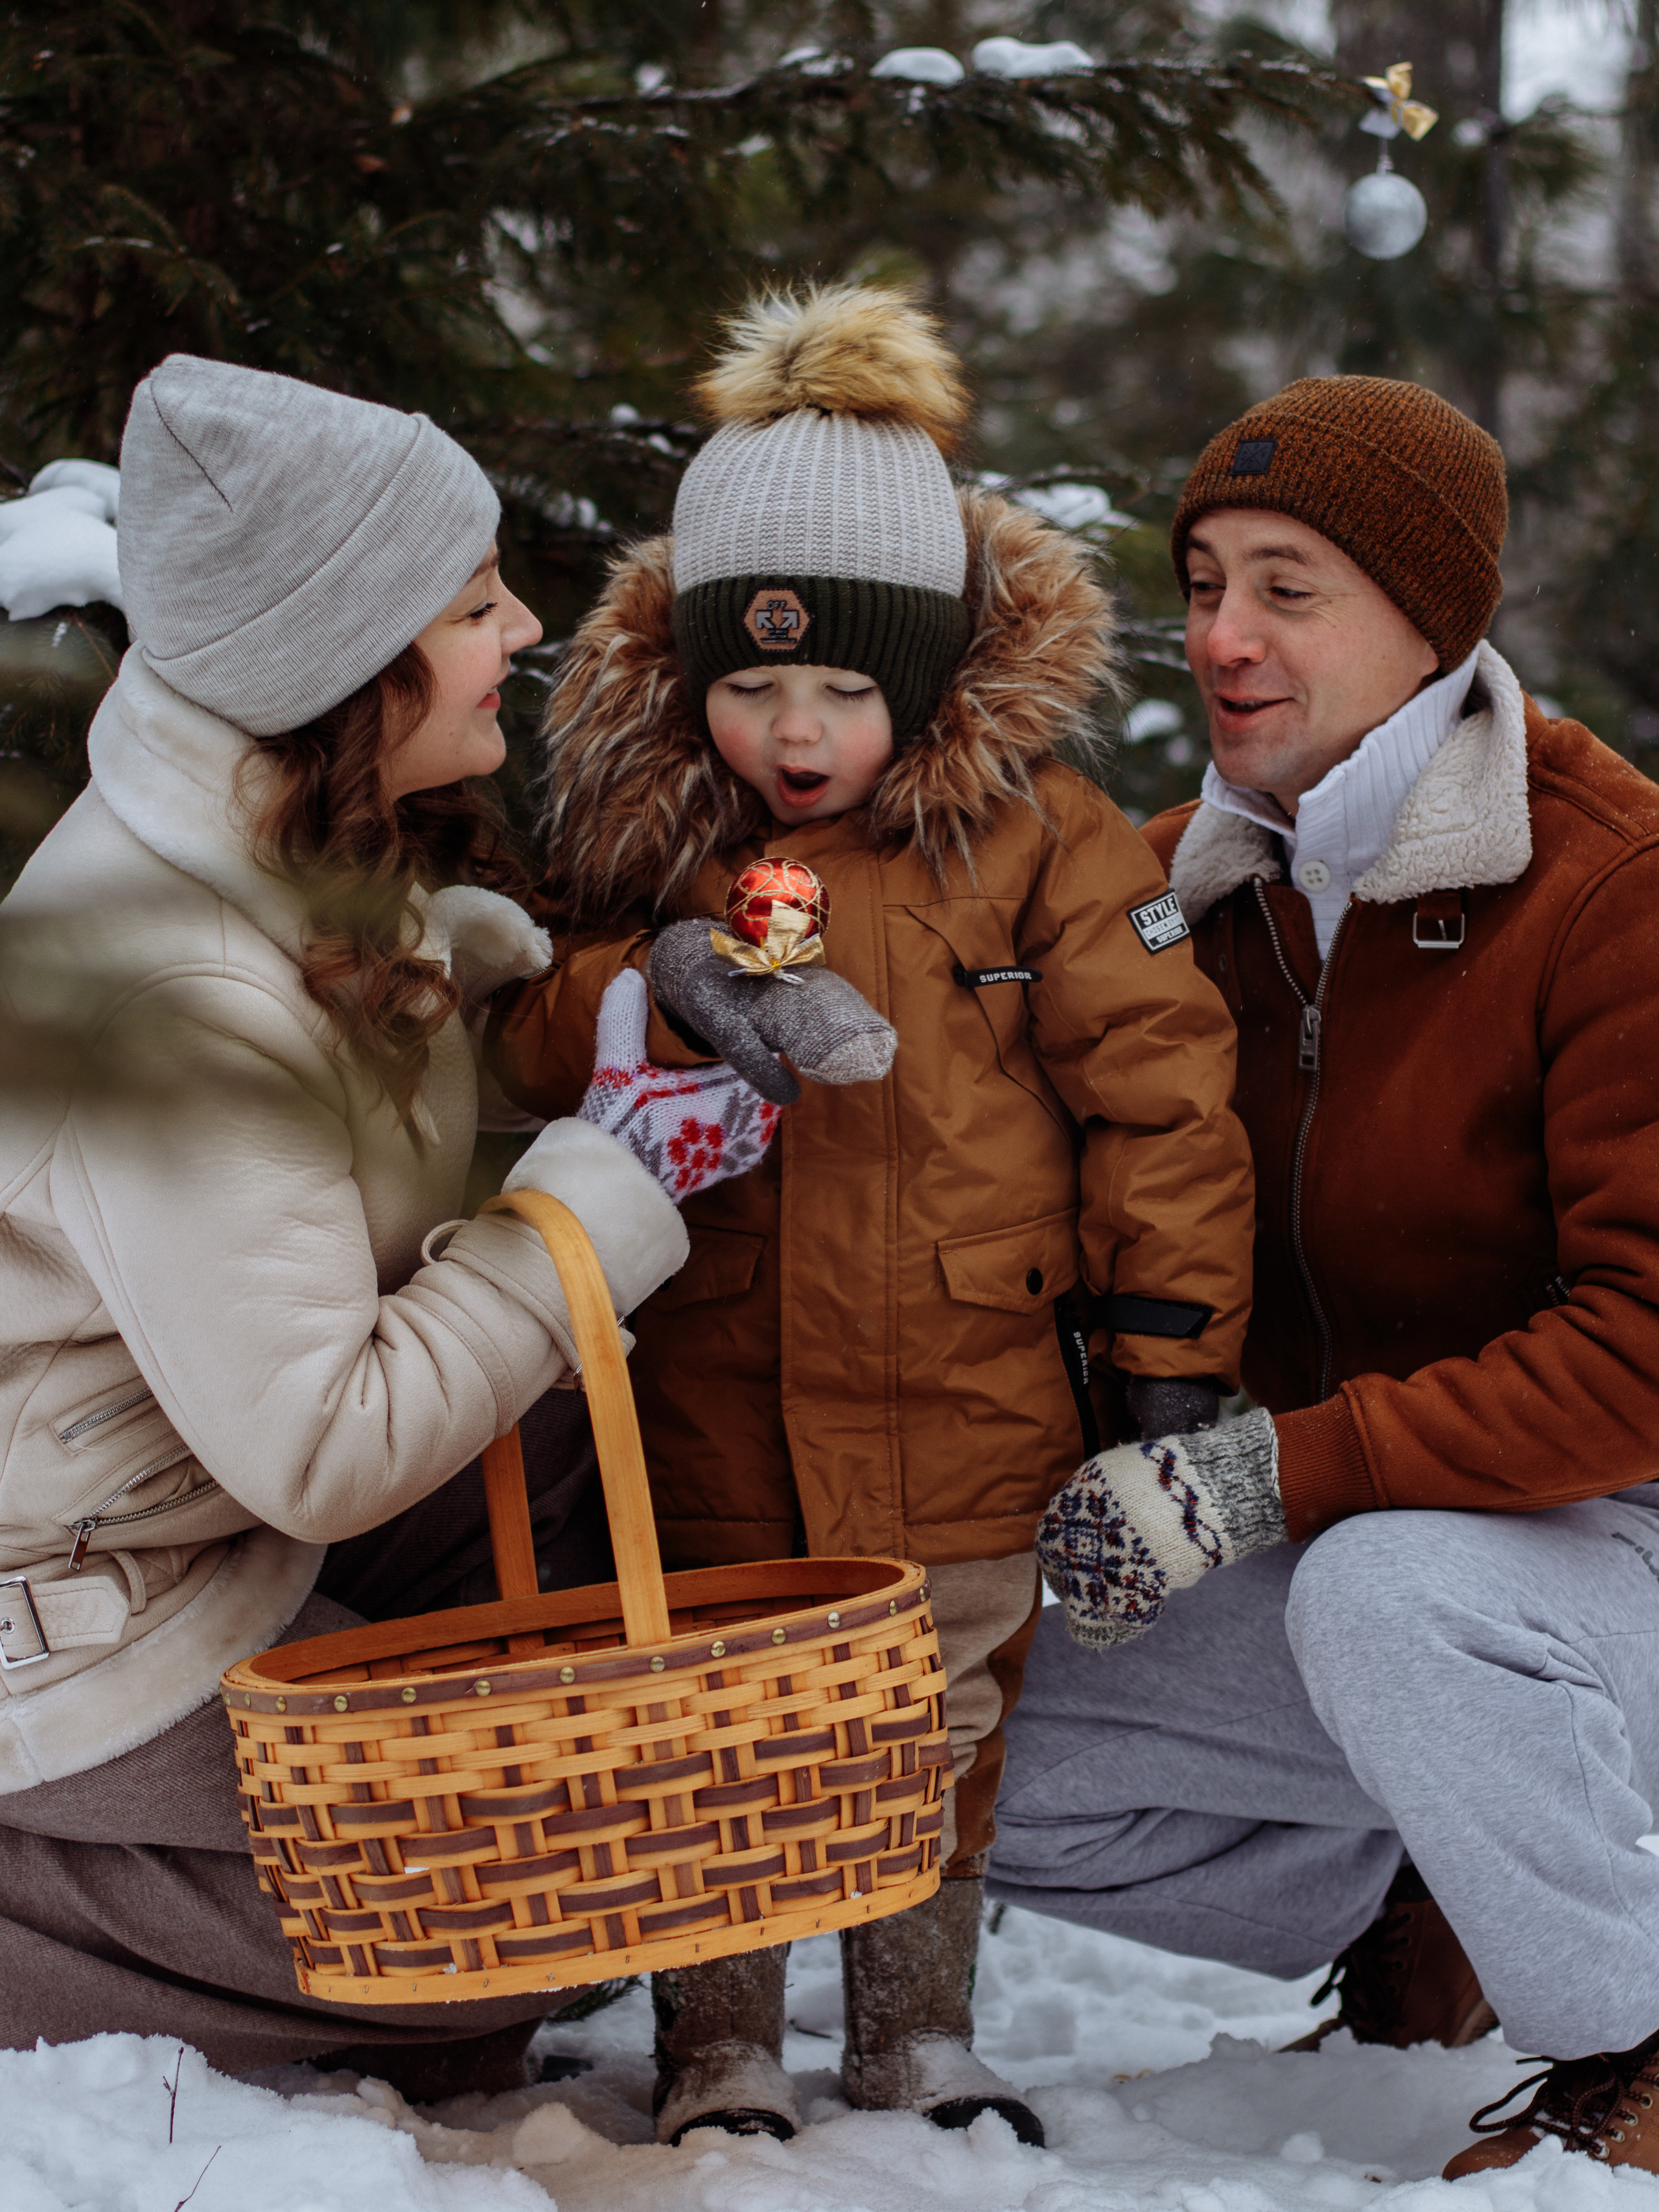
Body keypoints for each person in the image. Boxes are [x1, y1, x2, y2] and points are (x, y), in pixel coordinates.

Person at [487, 283, 1256, 2146]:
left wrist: (1171, 1354)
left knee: (937, 1718)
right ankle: (718, 2046)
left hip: (967, 1386)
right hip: (713, 1394)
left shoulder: (1044, 836)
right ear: (691, 681)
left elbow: (1158, 1086)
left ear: (926, 675)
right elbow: (528, 1025)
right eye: (752, 686)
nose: (798, 729)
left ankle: (915, 2030)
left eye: (844, 685)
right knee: (712, 1716)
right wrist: (655, 977)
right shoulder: (661, 833)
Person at [0, 356, 782, 2092]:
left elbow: (321, 1183)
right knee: (494, 1947)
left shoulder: (273, 847)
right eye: (469, 600)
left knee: (573, 1424)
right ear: (341, 657)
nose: (520, 625)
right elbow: (328, 1443)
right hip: (78, 1612)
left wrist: (494, 992)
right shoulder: (180, 977)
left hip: (190, 1509)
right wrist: (617, 1178)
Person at [986, 373, 1659, 2181]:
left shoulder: (1616, 889)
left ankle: (1637, 2043)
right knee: (935, 1726)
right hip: (1351, 1559)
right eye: (1203, 578)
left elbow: (1646, 1355)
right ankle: (1422, 1869)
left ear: (1432, 620)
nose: (1222, 635)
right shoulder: (1168, 900)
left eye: (1289, 585)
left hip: (1612, 1551)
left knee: (1390, 1602)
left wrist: (1277, 1470)